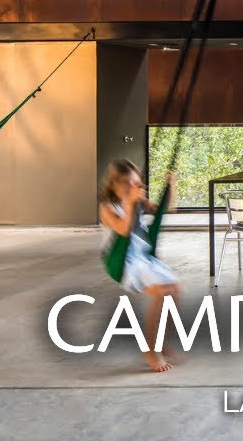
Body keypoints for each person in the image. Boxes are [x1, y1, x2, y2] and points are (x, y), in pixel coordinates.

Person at [98, 159, 181, 372]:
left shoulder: (138, 201)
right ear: (113, 186)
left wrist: (170, 187)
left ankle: (161, 342)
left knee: (174, 289)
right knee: (160, 293)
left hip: (143, 257)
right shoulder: (107, 208)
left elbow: (165, 209)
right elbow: (123, 230)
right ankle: (150, 349)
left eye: (136, 183)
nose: (133, 188)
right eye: (127, 184)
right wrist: (130, 203)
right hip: (124, 262)